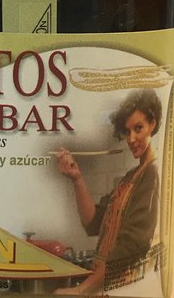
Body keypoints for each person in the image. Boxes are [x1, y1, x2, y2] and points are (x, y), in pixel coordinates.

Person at [54, 89, 162, 295]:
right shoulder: (130, 176)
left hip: (126, 287)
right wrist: (77, 178)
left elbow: (132, 246)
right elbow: (93, 223)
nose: (131, 139)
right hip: (104, 285)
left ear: (152, 124)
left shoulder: (152, 174)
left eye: (138, 128)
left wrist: (82, 289)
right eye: (127, 131)